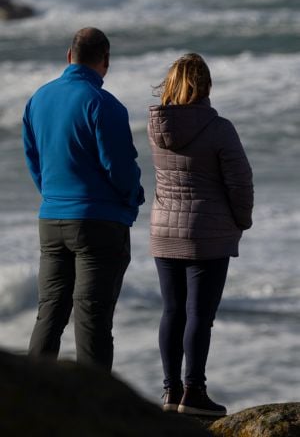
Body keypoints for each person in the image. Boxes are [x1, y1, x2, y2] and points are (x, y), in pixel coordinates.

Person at [23, 27, 144, 371]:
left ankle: (30, 403)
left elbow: (35, 161)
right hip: (98, 223)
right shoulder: (103, 104)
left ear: (69, 56)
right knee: (91, 320)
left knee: (49, 313)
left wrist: (52, 197)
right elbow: (120, 167)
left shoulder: (38, 99)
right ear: (105, 60)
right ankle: (96, 412)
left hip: (51, 220)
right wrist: (132, 198)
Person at [148, 53, 253, 416]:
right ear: (206, 85)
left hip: (164, 229)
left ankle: (169, 392)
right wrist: (241, 221)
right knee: (198, 315)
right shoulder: (219, 127)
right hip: (206, 234)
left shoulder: (156, 127)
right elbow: (240, 182)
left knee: (172, 311)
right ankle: (194, 391)